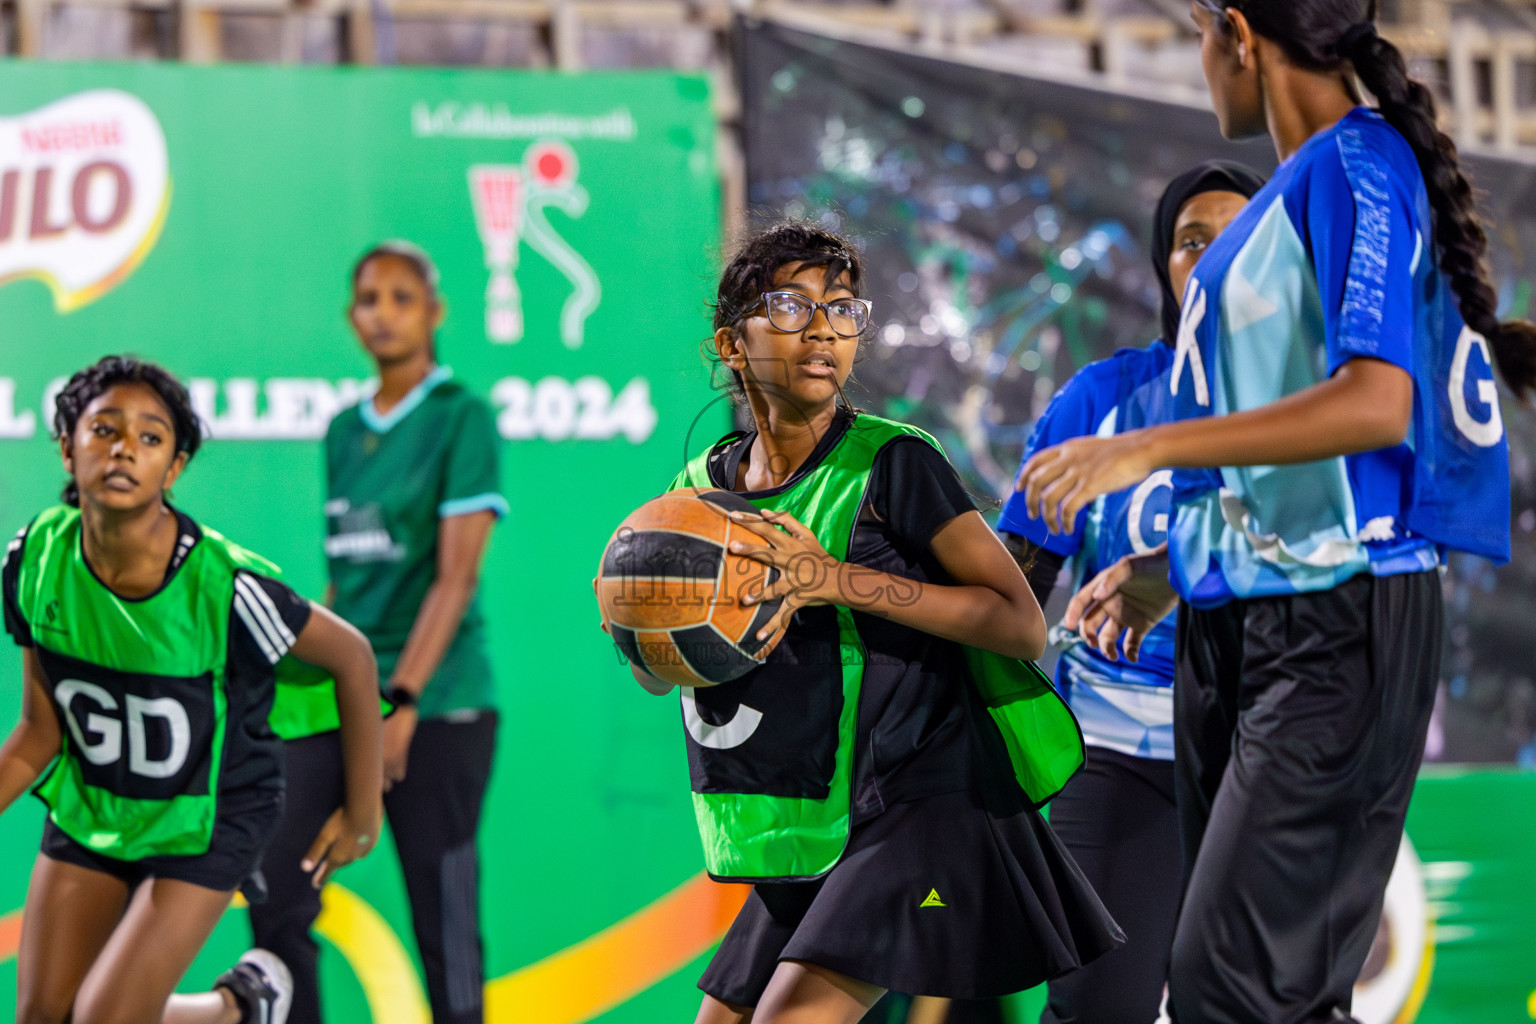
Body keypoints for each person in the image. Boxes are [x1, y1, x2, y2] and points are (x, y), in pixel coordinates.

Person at [1016, 3, 1534, 1021]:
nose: (1200, 64)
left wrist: (1144, 445)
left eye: (1198, 38)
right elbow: (1277, 456)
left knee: (1231, 990)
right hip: (1242, 614)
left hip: (1338, 617)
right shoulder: (1281, 208)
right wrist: (1174, 564)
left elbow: (1376, 402)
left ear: (1238, 33)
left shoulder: (1358, 164)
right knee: (1268, 994)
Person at [622, 223, 1122, 1024]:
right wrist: (641, 626)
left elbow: (1021, 626)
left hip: (924, 801)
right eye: (791, 306)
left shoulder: (895, 462)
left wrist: (838, 581)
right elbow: (661, 676)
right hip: (824, 814)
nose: (824, 327)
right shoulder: (697, 493)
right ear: (732, 343)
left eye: (844, 309)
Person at [0, 355, 383, 1024]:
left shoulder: (224, 587)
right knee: (42, 1015)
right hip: (99, 806)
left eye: (151, 438)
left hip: (209, 815)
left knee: (103, 1019)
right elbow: (42, 731)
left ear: (173, 469)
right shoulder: (35, 560)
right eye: (104, 430)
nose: (125, 449)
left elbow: (352, 657)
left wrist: (362, 812)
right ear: (66, 447)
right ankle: (245, 1007)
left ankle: (233, 1008)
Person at [997, 161, 1265, 1024]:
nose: (1213, 258)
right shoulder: (1102, 398)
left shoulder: (1314, 414)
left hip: (1257, 756)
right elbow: (1015, 583)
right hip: (1114, 755)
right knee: (1098, 1010)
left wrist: (1173, 577)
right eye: (1191, 241)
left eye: (1238, 238)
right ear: (1165, 269)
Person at [249, 241, 506, 1024]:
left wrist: (401, 701)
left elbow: (454, 578)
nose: (383, 313)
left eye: (401, 297)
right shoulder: (339, 432)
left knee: (443, 912)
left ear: (434, 312)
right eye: (368, 298)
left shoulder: (461, 416)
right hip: (342, 696)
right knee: (278, 887)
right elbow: (341, 582)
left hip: (438, 699)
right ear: (352, 317)